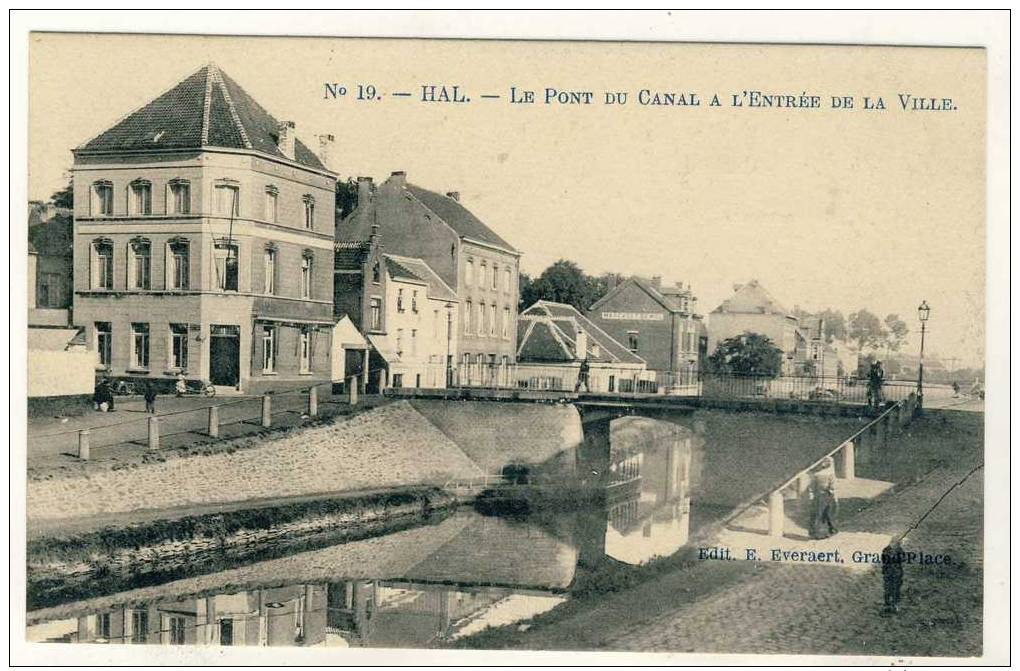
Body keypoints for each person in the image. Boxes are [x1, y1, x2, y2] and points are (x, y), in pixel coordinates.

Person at [810, 456, 839, 539]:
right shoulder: (831, 474)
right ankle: (831, 530)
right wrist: (833, 496)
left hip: (818, 496)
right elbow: (832, 487)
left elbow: (812, 486)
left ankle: (816, 533)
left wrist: (813, 495)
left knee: (817, 514)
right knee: (829, 513)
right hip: (827, 495)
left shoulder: (816, 475)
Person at [881, 538, 905, 615]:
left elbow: (902, 559)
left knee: (896, 589)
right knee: (887, 589)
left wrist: (896, 555)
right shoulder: (886, 550)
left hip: (897, 574)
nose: (895, 544)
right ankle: (887, 604)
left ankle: (895, 604)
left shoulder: (900, 551)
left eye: (897, 543)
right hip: (888, 573)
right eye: (893, 542)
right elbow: (884, 559)